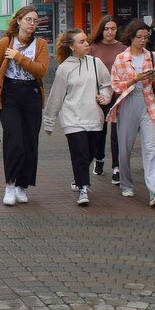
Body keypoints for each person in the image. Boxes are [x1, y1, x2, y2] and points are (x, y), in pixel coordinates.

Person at [0, 6, 50, 206]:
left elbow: (41, 71)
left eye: (35, 21)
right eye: (28, 19)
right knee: (14, 140)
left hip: (31, 95)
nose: (32, 24)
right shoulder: (6, 42)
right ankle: (10, 184)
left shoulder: (40, 45)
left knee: (30, 142)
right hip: (10, 94)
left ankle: (23, 185)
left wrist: (18, 57)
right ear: (19, 20)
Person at [43, 29, 112, 207]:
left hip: (94, 117)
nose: (86, 44)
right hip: (72, 119)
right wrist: (49, 121)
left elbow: (107, 85)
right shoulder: (64, 69)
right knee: (80, 153)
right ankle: (83, 187)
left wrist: (105, 96)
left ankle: (78, 178)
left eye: (86, 41)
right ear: (72, 46)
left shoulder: (96, 63)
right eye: (81, 42)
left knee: (91, 152)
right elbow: (56, 96)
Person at [108, 19, 155, 207]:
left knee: (152, 147)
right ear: (131, 37)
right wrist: (136, 78)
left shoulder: (153, 56)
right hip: (128, 102)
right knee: (124, 148)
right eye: (139, 37)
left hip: (148, 102)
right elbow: (116, 86)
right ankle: (126, 183)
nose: (142, 41)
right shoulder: (121, 58)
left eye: (145, 37)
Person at [88, 15, 127, 183]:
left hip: (119, 95)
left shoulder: (123, 48)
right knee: (99, 130)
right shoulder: (93, 48)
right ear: (101, 30)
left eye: (113, 29)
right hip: (100, 95)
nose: (110, 32)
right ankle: (99, 159)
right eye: (106, 28)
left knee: (117, 132)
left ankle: (117, 167)